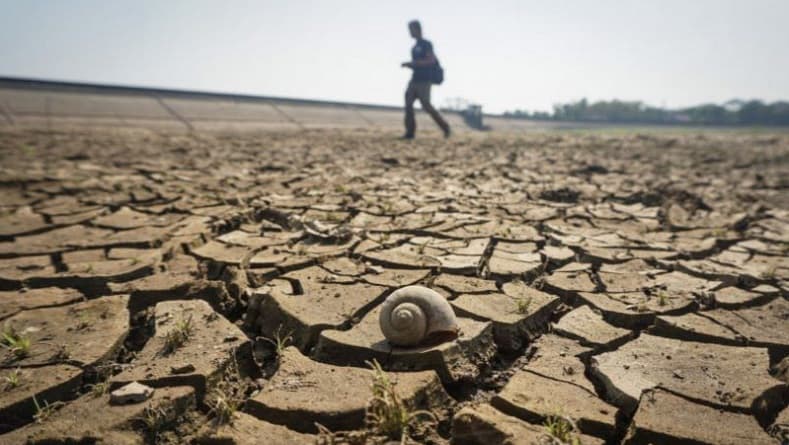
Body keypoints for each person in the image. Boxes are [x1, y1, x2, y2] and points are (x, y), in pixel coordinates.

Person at [401, 20, 450, 139]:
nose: (410, 32)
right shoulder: (414, 47)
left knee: (426, 105)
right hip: (415, 79)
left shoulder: (426, 44)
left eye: (411, 29)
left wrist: (414, 63)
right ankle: (410, 132)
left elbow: (431, 60)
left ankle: (445, 128)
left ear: (418, 29)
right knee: (408, 103)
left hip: (424, 80)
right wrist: (410, 65)